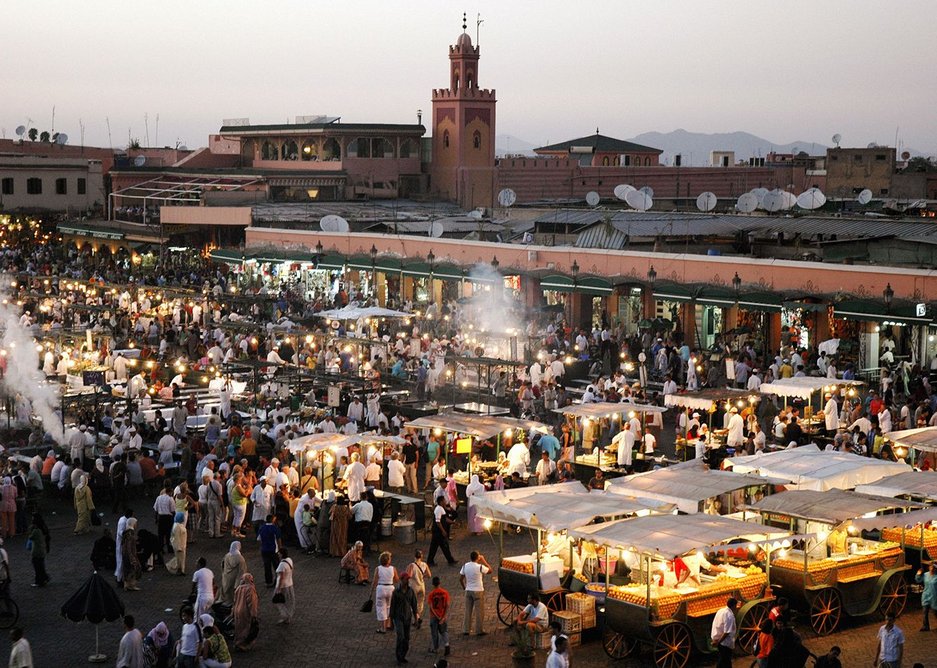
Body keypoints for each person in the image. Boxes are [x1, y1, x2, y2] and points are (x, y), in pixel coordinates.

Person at [390, 572, 420, 666]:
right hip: (398, 617)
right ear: (401, 579)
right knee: (401, 636)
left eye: (408, 579)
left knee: (406, 639)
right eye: (406, 579)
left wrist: (416, 618)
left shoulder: (410, 591)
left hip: (407, 617)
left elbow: (414, 605)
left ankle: (403, 655)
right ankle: (399, 656)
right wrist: (391, 621)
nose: (407, 581)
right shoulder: (396, 592)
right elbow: (392, 607)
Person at [459, 550, 491, 636]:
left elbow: (461, 579)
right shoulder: (480, 567)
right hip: (478, 591)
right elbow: (490, 570)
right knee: (479, 612)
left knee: (467, 611)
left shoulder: (465, 566)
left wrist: (464, 587)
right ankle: (479, 630)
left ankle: (466, 629)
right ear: (478, 558)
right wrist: (484, 560)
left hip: (468, 590)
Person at [372, 551, 399, 633]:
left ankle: (383, 628)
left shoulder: (378, 569)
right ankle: (389, 624)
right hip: (390, 588)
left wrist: (372, 590)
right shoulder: (393, 569)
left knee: (381, 608)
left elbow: (375, 581)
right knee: (389, 606)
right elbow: (397, 579)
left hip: (381, 588)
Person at [232, 572, 259, 652]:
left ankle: (237, 643)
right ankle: (243, 645)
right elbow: (252, 603)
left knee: (238, 628)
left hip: (237, 610)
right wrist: (254, 614)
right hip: (245, 611)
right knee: (245, 628)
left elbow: (234, 601)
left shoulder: (238, 588)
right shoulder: (250, 589)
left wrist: (232, 612)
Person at [427, 497, 456, 566]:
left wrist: (452, 522)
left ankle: (430, 561)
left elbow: (444, 518)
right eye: (444, 500)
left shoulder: (441, 509)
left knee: (434, 546)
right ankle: (450, 560)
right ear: (441, 502)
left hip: (437, 532)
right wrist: (443, 530)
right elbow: (438, 522)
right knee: (444, 545)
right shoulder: (438, 509)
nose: (445, 502)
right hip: (438, 532)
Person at [427, 576, 451, 657]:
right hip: (442, 615)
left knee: (434, 633)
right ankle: (447, 645)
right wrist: (443, 616)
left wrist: (437, 616)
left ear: (433, 584)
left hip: (434, 616)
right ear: (440, 583)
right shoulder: (445, 592)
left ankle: (436, 648)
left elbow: (431, 607)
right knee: (444, 631)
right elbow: (447, 605)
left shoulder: (431, 594)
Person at [710, 597, 737, 668]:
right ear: (734, 606)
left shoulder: (721, 611)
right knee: (725, 660)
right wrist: (718, 642)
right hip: (725, 642)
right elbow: (727, 632)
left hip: (719, 640)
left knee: (724, 660)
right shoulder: (729, 615)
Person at [407, 549, 431, 625]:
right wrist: (423, 576)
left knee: (413, 603)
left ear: (414, 556)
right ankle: (418, 616)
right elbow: (429, 575)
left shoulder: (412, 565)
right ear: (421, 556)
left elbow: (409, 575)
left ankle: (416, 619)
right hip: (422, 586)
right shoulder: (424, 564)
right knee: (420, 603)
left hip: (414, 586)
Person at [218, 541, 246, 607]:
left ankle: (226, 602)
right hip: (235, 578)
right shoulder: (240, 558)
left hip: (226, 578)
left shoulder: (227, 556)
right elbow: (242, 570)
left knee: (226, 591)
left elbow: (222, 565)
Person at [257, 515, 282, 587]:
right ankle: (278, 580)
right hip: (273, 550)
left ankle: (268, 582)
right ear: (272, 520)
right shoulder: (275, 528)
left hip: (264, 550)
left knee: (267, 566)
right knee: (276, 566)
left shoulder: (262, 528)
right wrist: (280, 549)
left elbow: (259, 539)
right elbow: (278, 539)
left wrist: (261, 547)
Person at [27, 513, 50, 587]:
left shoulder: (36, 531)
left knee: (37, 567)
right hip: (42, 550)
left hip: (36, 551)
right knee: (41, 566)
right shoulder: (44, 529)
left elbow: (30, 537)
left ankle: (39, 581)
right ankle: (44, 578)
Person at [273, 548, 295, 625]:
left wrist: (278, 588)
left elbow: (281, 577)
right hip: (290, 584)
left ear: (281, 554)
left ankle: (285, 615)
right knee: (289, 601)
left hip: (283, 586)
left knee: (277, 601)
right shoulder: (289, 560)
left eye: (279, 553)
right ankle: (288, 617)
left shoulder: (282, 565)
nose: (278, 554)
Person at [121, 517, 141, 591]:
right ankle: (131, 585)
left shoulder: (126, 533)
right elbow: (129, 547)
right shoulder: (130, 534)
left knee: (127, 570)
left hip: (125, 554)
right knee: (133, 570)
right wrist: (132, 557)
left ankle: (127, 584)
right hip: (130, 555)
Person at [917, 563, 937, 630]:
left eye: (933, 567)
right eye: (931, 567)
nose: (932, 569)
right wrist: (918, 574)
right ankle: (925, 626)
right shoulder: (925, 575)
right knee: (925, 612)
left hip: (934, 596)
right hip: (926, 595)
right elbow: (918, 580)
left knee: (935, 612)